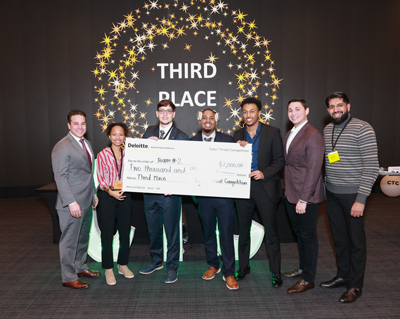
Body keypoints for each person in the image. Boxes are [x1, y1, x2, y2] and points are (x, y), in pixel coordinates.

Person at [320, 92, 379, 303]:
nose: (336, 109)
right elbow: (329, 159)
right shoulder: (328, 129)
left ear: (348, 106)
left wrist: (361, 199)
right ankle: (343, 275)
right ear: (328, 110)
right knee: (339, 240)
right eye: (332, 106)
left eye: (340, 105)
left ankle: (355, 285)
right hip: (333, 195)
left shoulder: (363, 128)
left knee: (356, 242)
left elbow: (371, 167)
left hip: (354, 195)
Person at [233, 97, 285, 287]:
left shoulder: (272, 132)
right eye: (245, 112)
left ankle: (276, 272)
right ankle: (244, 266)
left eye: (252, 111)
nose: (248, 115)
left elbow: (280, 160)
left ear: (259, 113)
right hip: (244, 188)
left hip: (266, 186)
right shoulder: (237, 134)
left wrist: (264, 173)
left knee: (271, 232)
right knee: (243, 231)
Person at [139, 99, 188, 284]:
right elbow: (140, 160)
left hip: (170, 194)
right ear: (157, 113)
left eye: (168, 111)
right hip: (150, 192)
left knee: (172, 231)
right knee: (153, 229)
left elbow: (185, 166)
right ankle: (156, 260)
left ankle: (172, 266)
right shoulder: (148, 132)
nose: (165, 114)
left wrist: (175, 185)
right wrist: (146, 145)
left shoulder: (182, 137)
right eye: (162, 111)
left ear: (174, 114)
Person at [190, 109, 238, 290]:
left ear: (216, 122)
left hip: (224, 197)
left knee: (226, 233)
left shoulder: (228, 140)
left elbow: (236, 163)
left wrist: (241, 147)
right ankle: (213, 264)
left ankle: (229, 272)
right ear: (200, 121)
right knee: (208, 232)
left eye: (211, 118)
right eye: (204, 118)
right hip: (204, 197)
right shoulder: (192, 142)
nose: (208, 121)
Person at [51, 110, 100, 289]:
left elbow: (87, 174)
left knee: (82, 239)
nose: (80, 127)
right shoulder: (62, 146)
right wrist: (71, 202)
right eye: (76, 123)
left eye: (83, 123)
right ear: (69, 125)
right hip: (71, 204)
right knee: (70, 241)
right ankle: (69, 277)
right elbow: (60, 177)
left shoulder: (85, 143)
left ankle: (80, 267)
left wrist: (93, 193)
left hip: (86, 200)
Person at [282, 99, 325, 293]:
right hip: (291, 192)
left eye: (297, 109)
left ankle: (308, 279)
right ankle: (302, 269)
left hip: (306, 196)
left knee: (308, 235)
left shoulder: (313, 135)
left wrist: (303, 199)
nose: (293, 113)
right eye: (290, 110)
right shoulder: (291, 133)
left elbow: (314, 170)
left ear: (307, 110)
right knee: (299, 234)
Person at [96, 122, 134, 285]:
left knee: (125, 232)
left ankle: (122, 264)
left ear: (125, 136)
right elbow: (100, 179)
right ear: (109, 135)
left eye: (121, 134)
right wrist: (110, 192)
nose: (118, 137)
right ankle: (108, 268)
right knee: (107, 233)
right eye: (114, 134)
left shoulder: (130, 154)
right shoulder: (103, 154)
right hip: (107, 195)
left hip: (125, 195)